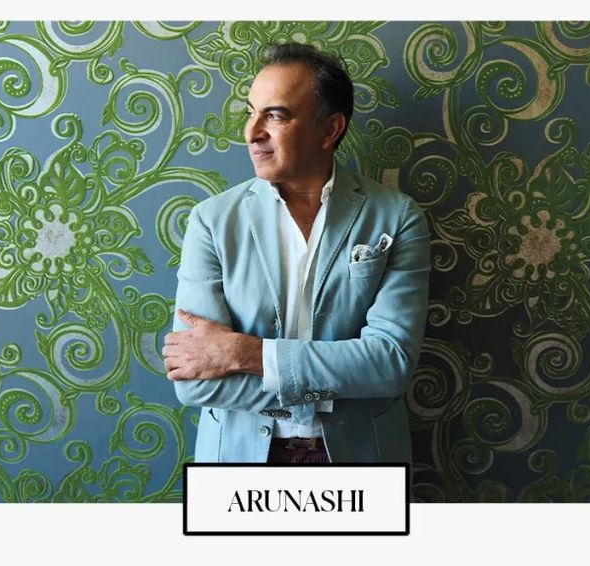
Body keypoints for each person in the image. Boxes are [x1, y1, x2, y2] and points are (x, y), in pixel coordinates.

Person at [162, 42, 430, 464]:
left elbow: (391, 363)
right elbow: (194, 379)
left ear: (330, 129)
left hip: (361, 458)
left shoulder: (397, 217)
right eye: (251, 112)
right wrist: (339, 383)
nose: (252, 133)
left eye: (275, 115)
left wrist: (247, 355)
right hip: (238, 459)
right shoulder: (211, 221)